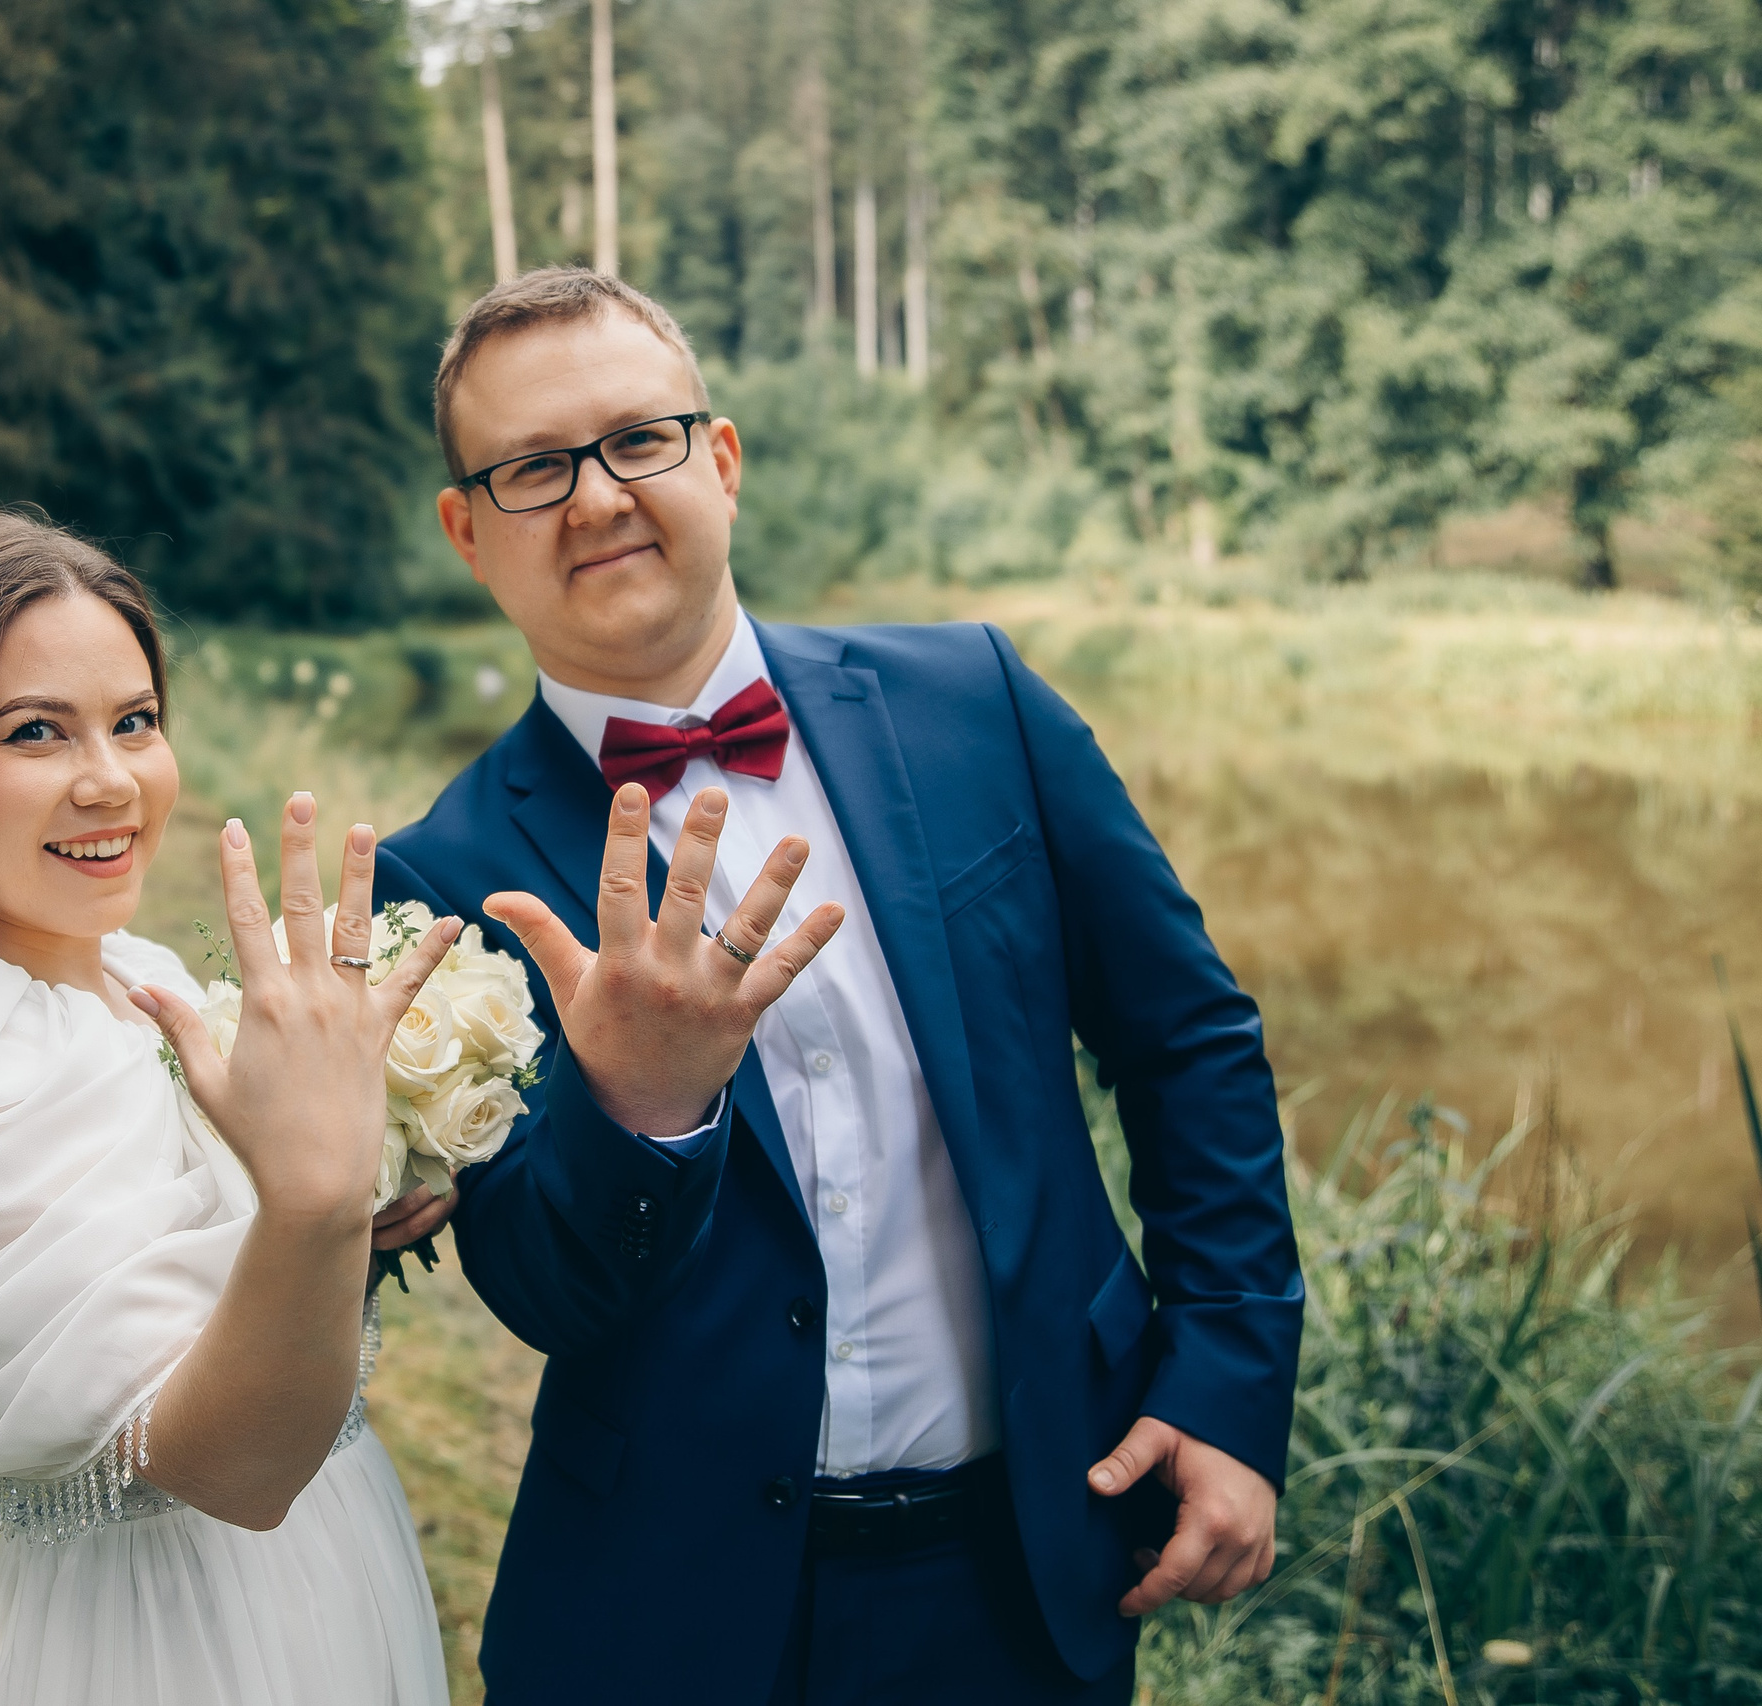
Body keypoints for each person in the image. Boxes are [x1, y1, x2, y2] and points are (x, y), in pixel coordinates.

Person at [375, 269, 1305, 1705]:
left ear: (721, 460)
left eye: (638, 440)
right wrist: (644, 1109)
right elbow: (548, 1289)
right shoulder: (442, 876)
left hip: (1027, 1569)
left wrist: (1227, 1382)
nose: (598, 497)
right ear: (467, 532)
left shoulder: (976, 701)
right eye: (533, 468)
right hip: (666, 1616)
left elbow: (1188, 1040)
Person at [0, 509, 462, 1706]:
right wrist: (312, 1200)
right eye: (35, 731)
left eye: (134, 720)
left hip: (331, 1562)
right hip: (164, 1637)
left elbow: (221, 1292)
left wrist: (353, 1209)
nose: (110, 781)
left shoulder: (139, 976)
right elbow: (232, 1468)